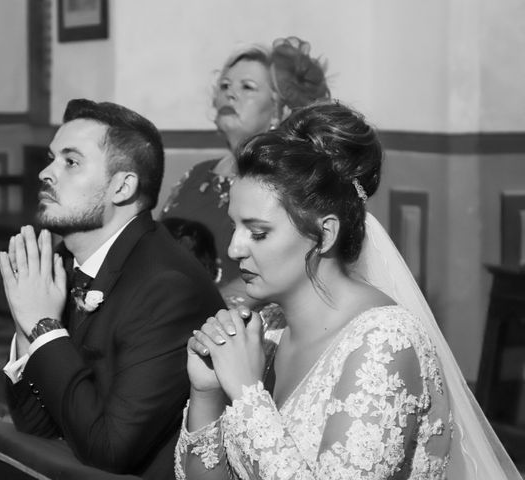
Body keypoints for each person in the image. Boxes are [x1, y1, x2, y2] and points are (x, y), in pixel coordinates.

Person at [175, 101, 522, 479]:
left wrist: (246, 394)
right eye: (235, 227)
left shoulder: (386, 343)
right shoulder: (269, 329)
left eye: (258, 232)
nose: (234, 249)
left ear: (324, 234)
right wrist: (206, 393)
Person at [0, 99, 226, 478]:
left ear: (122, 186)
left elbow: (110, 451)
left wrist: (42, 326)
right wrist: (30, 330)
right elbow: (35, 426)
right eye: (52, 158)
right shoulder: (63, 263)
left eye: (70, 162)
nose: (45, 173)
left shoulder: (167, 289)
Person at [160, 36, 330, 307]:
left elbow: (291, 266)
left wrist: (208, 313)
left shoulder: (283, 181)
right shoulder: (197, 173)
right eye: (224, 85)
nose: (230, 93)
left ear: (278, 110)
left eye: (247, 87)